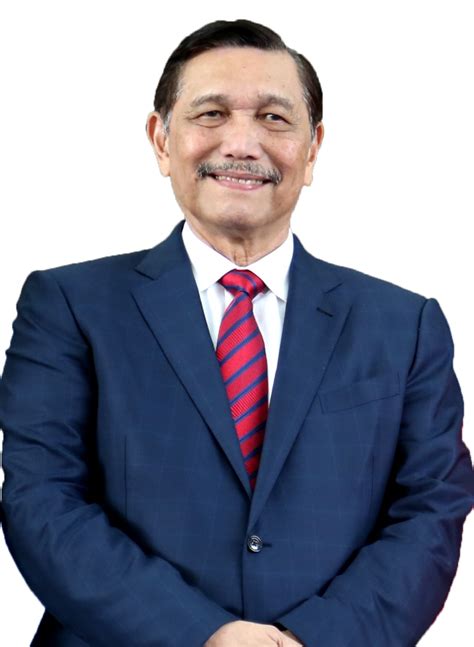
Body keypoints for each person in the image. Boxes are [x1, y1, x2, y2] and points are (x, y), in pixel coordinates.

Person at [0, 18, 473, 647]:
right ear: (161, 140)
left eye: (274, 118)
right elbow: (42, 500)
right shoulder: (69, 306)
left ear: (313, 149)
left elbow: (431, 510)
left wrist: (311, 640)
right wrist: (205, 635)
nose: (243, 143)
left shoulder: (404, 325)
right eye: (211, 114)